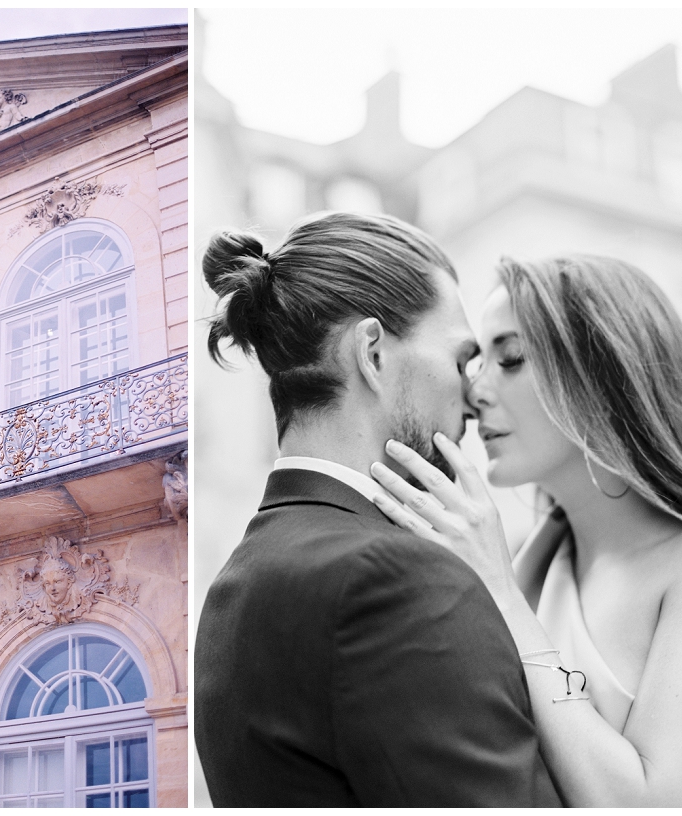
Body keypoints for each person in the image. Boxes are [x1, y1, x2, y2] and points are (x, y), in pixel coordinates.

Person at [369, 254, 682, 807]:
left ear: (604, 371)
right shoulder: (534, 565)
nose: (476, 393)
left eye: (510, 358)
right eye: (474, 365)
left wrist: (499, 594)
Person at [194, 212, 561, 807]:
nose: (473, 394)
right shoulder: (397, 579)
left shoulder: (232, 586)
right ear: (372, 354)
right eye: (461, 357)